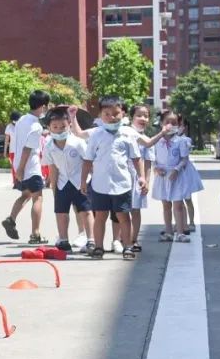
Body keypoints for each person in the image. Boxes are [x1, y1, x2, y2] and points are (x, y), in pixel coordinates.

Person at [80, 96, 143, 259]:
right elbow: (87, 160)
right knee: (100, 216)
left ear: (123, 113)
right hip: (100, 183)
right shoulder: (96, 134)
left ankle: (127, 246)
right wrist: (83, 182)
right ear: (100, 115)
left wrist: (142, 177)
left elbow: (136, 158)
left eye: (115, 113)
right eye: (106, 114)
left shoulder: (128, 134)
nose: (111, 117)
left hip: (122, 183)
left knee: (123, 215)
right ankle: (99, 247)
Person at [2, 90, 50, 244]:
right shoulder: (36, 126)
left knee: (26, 195)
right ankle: (35, 234)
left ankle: (11, 219)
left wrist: (18, 169)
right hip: (31, 166)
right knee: (38, 198)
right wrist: (22, 168)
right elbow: (28, 149)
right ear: (42, 107)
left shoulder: (22, 119)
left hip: (19, 164)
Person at [42, 107, 91, 252]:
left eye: (63, 126)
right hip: (63, 183)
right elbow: (52, 168)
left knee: (85, 211)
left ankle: (91, 240)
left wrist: (85, 181)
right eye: (55, 127)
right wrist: (54, 188)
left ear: (69, 125)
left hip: (81, 182)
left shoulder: (78, 142)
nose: (59, 130)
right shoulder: (49, 146)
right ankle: (63, 239)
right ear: (49, 128)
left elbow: (88, 162)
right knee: (61, 212)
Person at [151, 111, 192, 242]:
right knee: (166, 205)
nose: (170, 125)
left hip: (176, 176)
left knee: (178, 205)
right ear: (161, 124)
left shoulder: (180, 141)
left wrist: (176, 169)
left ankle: (180, 232)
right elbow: (152, 158)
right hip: (162, 176)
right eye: (167, 122)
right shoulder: (157, 141)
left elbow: (184, 159)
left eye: (174, 123)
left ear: (178, 125)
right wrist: (156, 168)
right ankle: (168, 231)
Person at [127, 105, 157, 251]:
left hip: (138, 178)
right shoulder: (125, 133)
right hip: (122, 176)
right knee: (121, 211)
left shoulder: (147, 140)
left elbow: (148, 162)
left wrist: (147, 181)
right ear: (131, 116)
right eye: (139, 115)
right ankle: (121, 239)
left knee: (136, 210)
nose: (143, 119)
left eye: (146, 116)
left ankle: (133, 240)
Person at [175, 116, 204, 233]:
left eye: (179, 125)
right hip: (174, 171)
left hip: (185, 171)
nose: (177, 127)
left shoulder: (186, 139)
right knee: (176, 200)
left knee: (187, 199)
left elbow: (185, 153)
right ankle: (180, 223)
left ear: (185, 127)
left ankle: (191, 222)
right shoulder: (169, 140)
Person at [3, 111, 21, 184]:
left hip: (20, 150)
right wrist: (5, 151)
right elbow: (6, 140)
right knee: (14, 167)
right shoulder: (9, 127)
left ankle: (20, 180)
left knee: (20, 165)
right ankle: (15, 182)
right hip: (12, 150)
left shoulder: (21, 126)